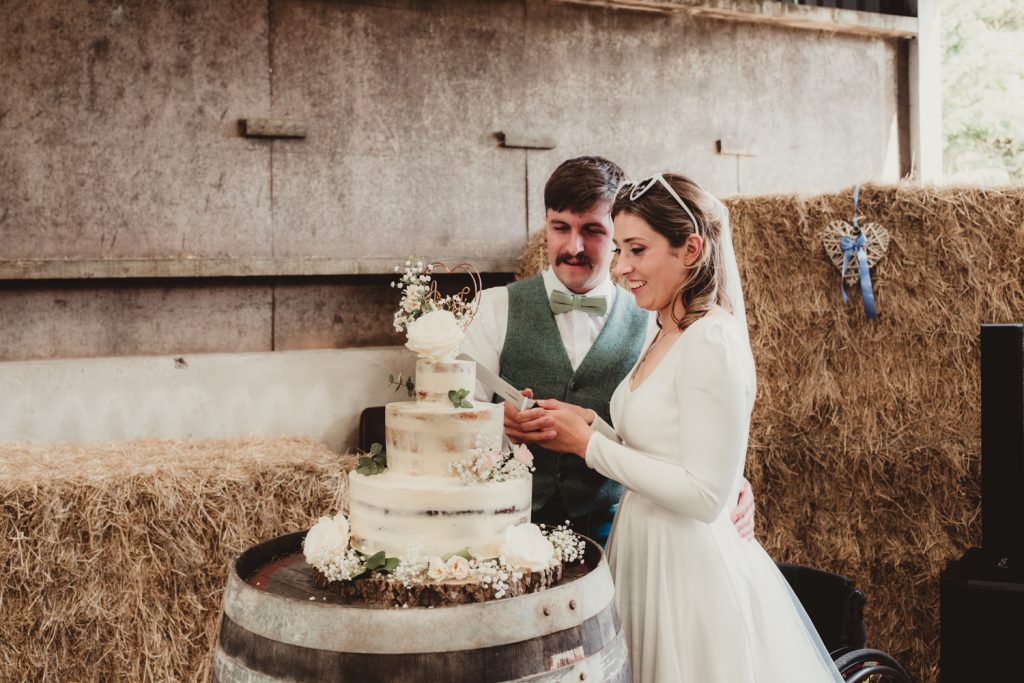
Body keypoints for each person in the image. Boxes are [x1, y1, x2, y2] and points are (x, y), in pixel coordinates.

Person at [535, 172, 843, 681]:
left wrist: (590, 446)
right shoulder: (666, 331)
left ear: (691, 249)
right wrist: (590, 425)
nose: (621, 268)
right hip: (644, 552)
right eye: (620, 250)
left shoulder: (711, 340)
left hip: (687, 568)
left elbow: (704, 495)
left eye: (636, 249)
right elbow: (659, 453)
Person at [462, 156, 755, 545]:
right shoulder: (493, 307)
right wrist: (498, 421)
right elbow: (450, 412)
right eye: (559, 228)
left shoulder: (660, 320)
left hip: (617, 530)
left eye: (594, 231)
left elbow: (692, 439)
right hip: (508, 526)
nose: (573, 247)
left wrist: (732, 478)